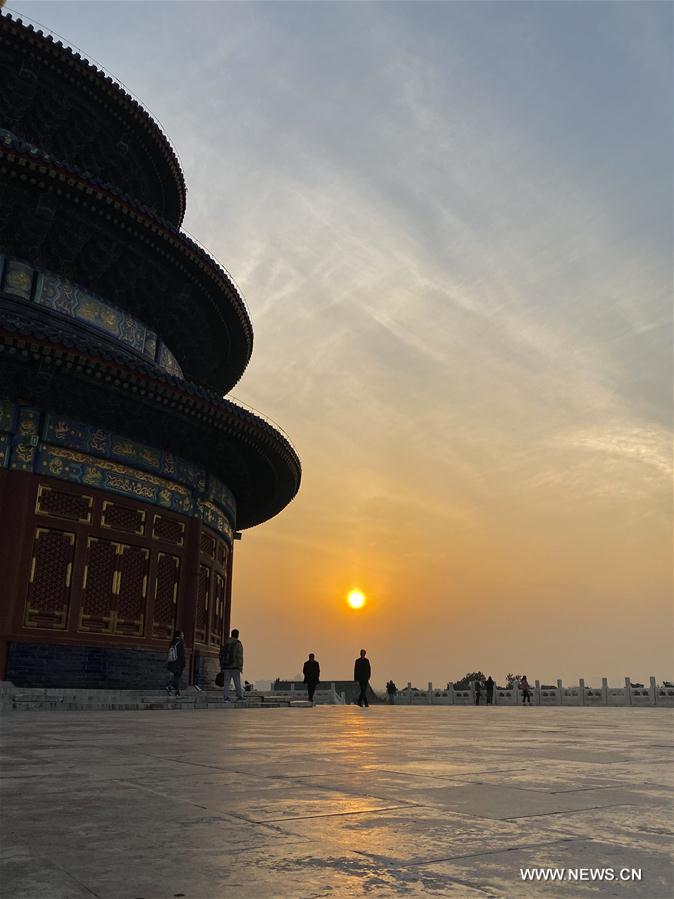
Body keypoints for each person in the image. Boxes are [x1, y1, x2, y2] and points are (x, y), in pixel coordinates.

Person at [219, 628, 244, 702]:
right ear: (237, 635)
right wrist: (240, 666)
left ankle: (226, 697)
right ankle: (239, 696)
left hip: (226, 666)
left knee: (226, 682)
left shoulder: (226, 643)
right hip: (234, 666)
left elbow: (221, 654)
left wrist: (222, 665)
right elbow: (239, 656)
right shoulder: (238, 644)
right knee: (237, 682)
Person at [166, 630, 185, 696]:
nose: (183, 635)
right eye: (182, 634)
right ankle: (170, 686)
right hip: (178, 662)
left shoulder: (172, 642)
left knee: (175, 677)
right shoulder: (180, 642)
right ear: (179, 635)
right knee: (177, 677)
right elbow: (181, 654)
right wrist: (183, 663)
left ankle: (177, 692)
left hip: (172, 661)